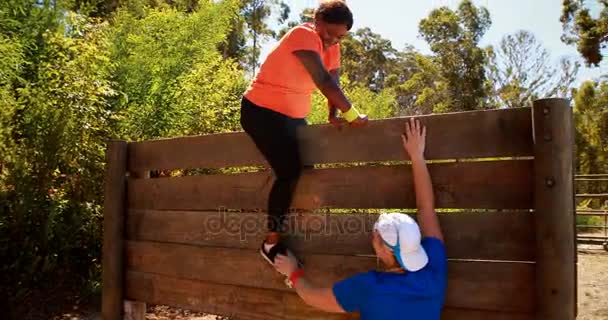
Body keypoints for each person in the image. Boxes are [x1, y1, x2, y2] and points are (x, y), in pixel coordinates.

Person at [239, 0, 368, 275]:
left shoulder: (333, 47)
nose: (332, 40)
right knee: (289, 171)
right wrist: (351, 114)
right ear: (317, 21)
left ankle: (299, 227)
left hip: (293, 117)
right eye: (329, 33)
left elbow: (333, 81)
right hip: (261, 111)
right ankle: (270, 242)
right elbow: (321, 80)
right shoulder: (303, 35)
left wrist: (333, 112)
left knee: (307, 168)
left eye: (339, 36)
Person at [274, 118, 447, 319]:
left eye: (377, 234)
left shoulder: (371, 286)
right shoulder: (433, 271)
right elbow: (426, 209)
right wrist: (417, 156)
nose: (373, 235)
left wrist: (293, 272)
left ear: (386, 250)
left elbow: (315, 297)